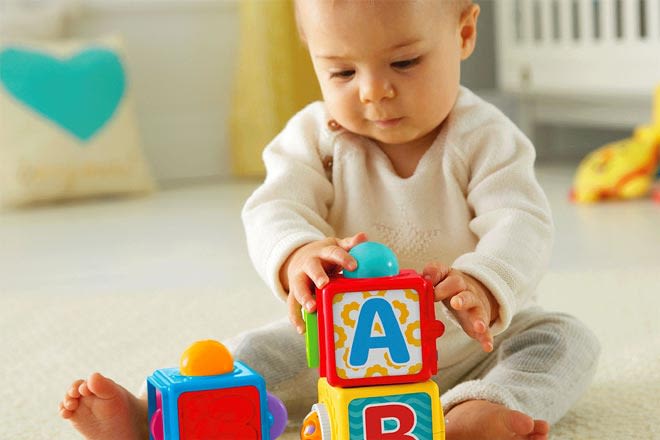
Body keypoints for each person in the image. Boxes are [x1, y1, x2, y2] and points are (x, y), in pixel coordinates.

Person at [59, 1, 600, 439]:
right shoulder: (315, 138)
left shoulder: (487, 136)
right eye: (342, 71)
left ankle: (479, 409)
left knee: (564, 339)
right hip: (341, 345)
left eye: (404, 63)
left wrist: (483, 282)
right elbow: (274, 208)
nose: (372, 90)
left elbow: (521, 221)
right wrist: (298, 252)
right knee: (254, 352)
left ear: (463, 33)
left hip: (467, 339)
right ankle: (157, 418)